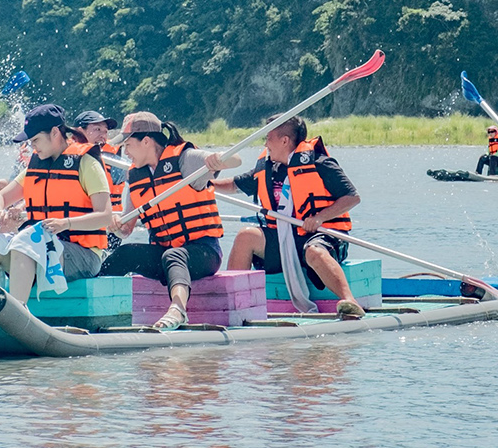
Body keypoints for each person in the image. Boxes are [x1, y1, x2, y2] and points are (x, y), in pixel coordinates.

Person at [222, 116, 365, 319]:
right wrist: (203, 184)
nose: (265, 143)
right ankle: (231, 304)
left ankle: (349, 301)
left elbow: (352, 197)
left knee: (314, 251)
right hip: (283, 239)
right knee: (246, 236)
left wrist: (319, 218)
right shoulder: (267, 168)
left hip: (323, 236)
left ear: (284, 140)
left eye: (268, 137)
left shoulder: (319, 163)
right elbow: (234, 185)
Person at [0, 103, 113, 301]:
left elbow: (105, 217)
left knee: (24, 244)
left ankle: (17, 314)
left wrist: (66, 223)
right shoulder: (35, 165)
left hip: (84, 255)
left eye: (36, 140)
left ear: (55, 132)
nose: (32, 146)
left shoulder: (87, 163)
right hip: (42, 248)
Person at [101, 112, 229, 330]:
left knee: (174, 254)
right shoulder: (135, 177)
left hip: (204, 252)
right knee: (124, 253)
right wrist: (116, 224)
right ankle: (93, 307)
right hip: (164, 255)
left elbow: (235, 160)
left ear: (147, 141)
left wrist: (217, 160)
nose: (126, 152)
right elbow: (126, 229)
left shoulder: (184, 159)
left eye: (129, 145)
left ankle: (178, 310)